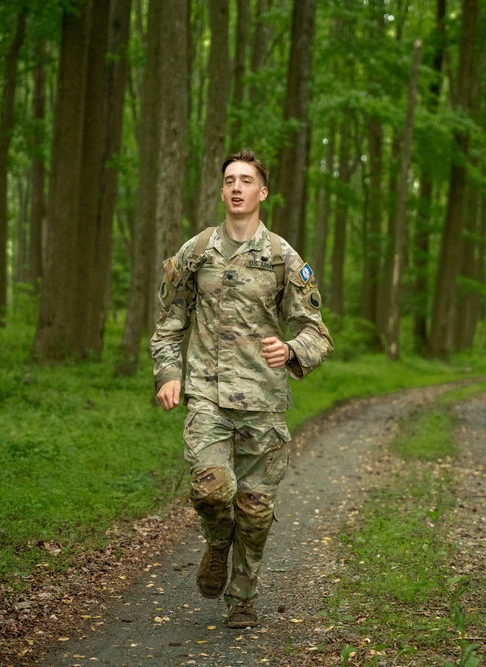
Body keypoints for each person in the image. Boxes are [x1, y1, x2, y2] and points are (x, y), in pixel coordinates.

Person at [150, 150, 333, 629]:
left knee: (255, 510)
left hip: (264, 403)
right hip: (207, 394)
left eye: (246, 180)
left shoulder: (282, 258)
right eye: (229, 179)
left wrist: (291, 350)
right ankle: (216, 541)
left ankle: (243, 599)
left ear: (261, 192)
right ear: (222, 190)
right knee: (212, 491)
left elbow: (318, 331)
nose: (236, 187)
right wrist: (168, 374)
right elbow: (169, 324)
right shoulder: (196, 253)